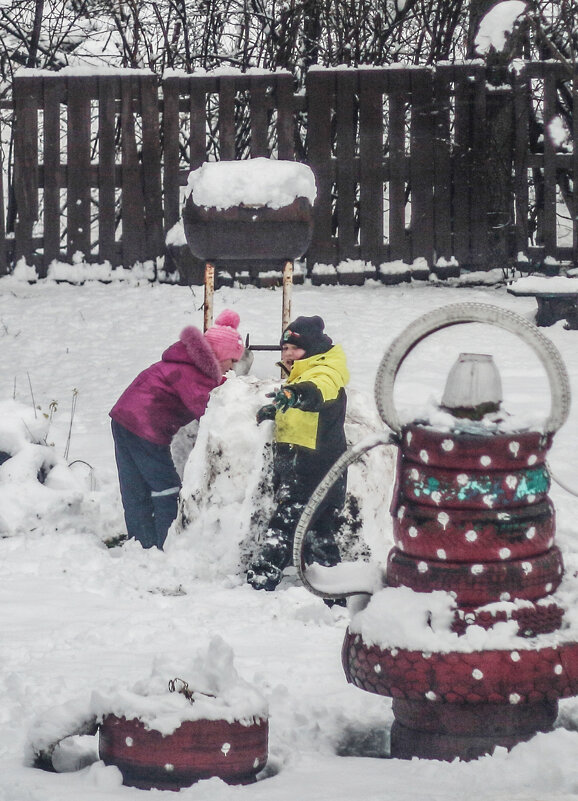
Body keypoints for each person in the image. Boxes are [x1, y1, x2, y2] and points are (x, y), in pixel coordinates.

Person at [110, 309, 244, 550]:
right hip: (145, 427)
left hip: (123, 418)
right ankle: (166, 546)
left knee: (136, 486)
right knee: (167, 489)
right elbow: (208, 406)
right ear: (219, 354)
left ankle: (141, 544)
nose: (233, 366)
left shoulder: (185, 362)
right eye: (232, 360)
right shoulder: (191, 371)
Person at [247, 315, 349, 591]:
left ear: (313, 348)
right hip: (313, 462)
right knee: (318, 529)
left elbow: (316, 393)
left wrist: (294, 396)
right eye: (285, 348)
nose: (289, 354)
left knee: (286, 521)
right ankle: (330, 581)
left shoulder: (326, 372)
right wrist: (278, 409)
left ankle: (263, 573)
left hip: (316, 464)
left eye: (295, 348)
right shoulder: (304, 372)